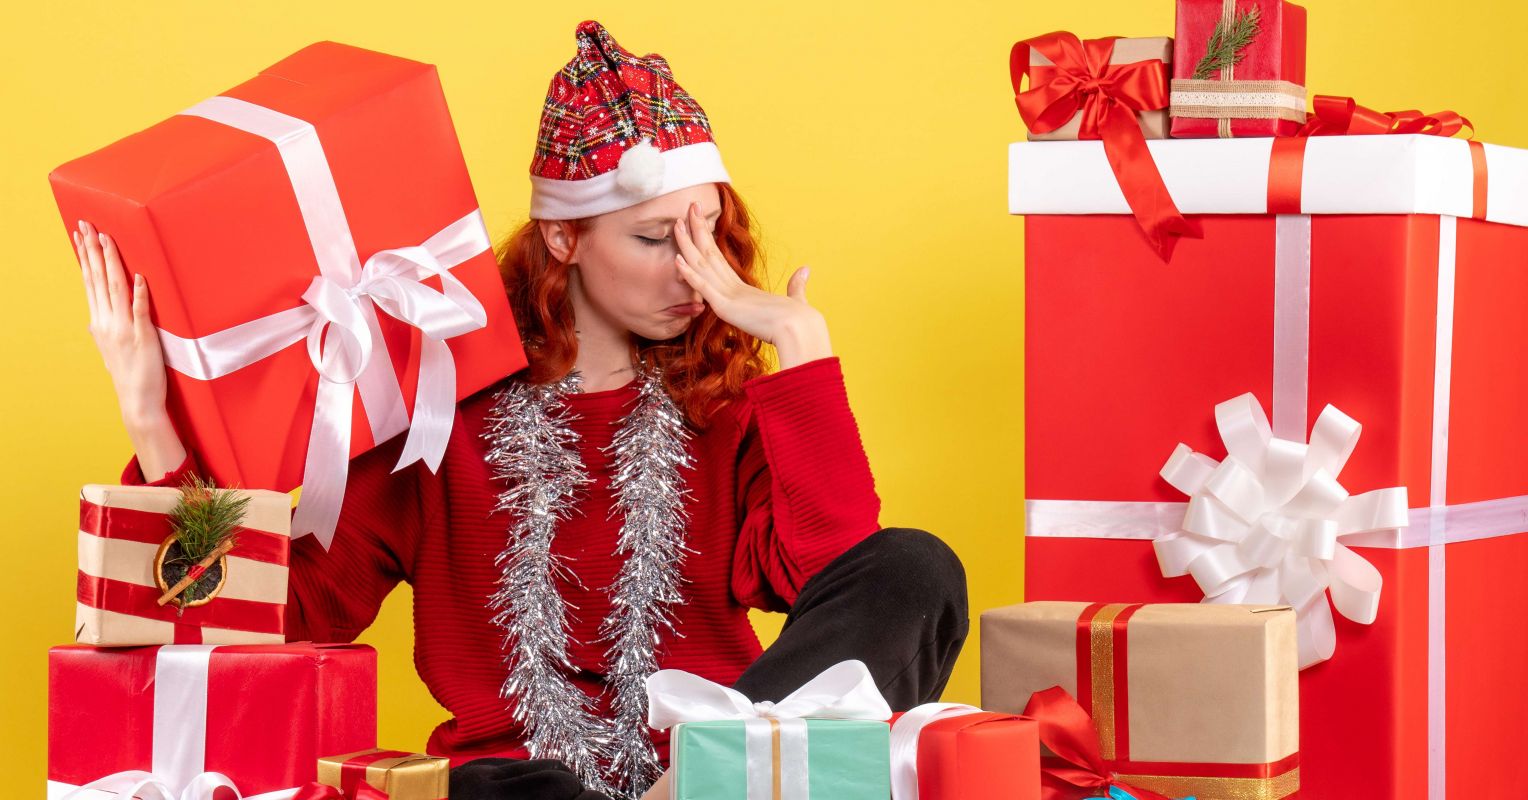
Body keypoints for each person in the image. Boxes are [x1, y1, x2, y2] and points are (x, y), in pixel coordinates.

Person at [75, 20, 968, 800]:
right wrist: (155, 420)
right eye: (656, 238)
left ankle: (697, 786)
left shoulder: (724, 409)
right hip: (525, 783)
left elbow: (835, 577)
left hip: (714, 769)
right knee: (495, 787)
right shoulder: (437, 414)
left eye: (709, 234)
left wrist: (801, 345)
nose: (694, 273)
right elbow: (290, 616)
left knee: (915, 567)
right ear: (563, 236)